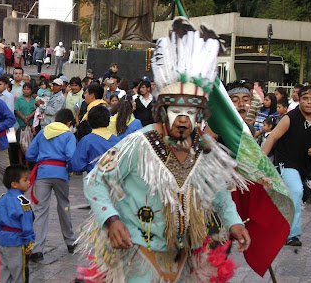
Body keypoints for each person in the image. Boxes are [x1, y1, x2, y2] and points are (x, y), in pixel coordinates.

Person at [76, 19, 250, 282]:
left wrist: (234, 222)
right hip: (137, 253)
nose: (183, 119)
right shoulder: (138, 144)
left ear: (200, 115)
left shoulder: (205, 150)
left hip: (183, 259)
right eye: (177, 112)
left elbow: (219, 193)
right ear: (162, 111)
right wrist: (111, 220)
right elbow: (96, 180)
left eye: (190, 113)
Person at [262, 86, 311, 246]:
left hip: (304, 166)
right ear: (299, 100)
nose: (308, 102)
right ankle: (292, 234)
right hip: (286, 163)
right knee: (296, 192)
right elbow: (272, 138)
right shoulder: (289, 118)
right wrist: (260, 159)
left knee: (288, 196)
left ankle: (274, 227)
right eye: (305, 98)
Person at [25, 109, 77, 262]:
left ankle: (36, 249)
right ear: (69, 122)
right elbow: (71, 156)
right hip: (60, 173)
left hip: (42, 173)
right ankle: (70, 242)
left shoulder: (43, 132)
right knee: (64, 206)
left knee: (40, 210)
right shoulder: (69, 135)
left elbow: (29, 154)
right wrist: (70, 170)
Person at [0, 165, 35, 283]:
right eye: (25, 180)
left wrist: (1, 237)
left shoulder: (1, 199)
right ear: (14, 184)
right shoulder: (23, 202)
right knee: (19, 274)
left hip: (4, 241)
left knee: (4, 272)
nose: (29, 182)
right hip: (17, 241)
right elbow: (27, 225)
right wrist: (29, 243)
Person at [71, 106, 119, 173]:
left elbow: (77, 166)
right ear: (108, 120)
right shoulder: (118, 140)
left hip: (94, 180)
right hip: (114, 180)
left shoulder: (86, 140)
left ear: (89, 122)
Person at [14, 83, 35, 165]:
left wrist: (28, 118)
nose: (26, 91)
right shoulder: (19, 99)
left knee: (29, 144)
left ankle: (27, 163)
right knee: (20, 144)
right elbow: (16, 110)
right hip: (21, 124)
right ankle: (20, 162)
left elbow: (35, 111)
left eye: (28, 89)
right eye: (24, 89)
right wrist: (24, 118)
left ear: (31, 90)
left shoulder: (34, 100)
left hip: (30, 125)